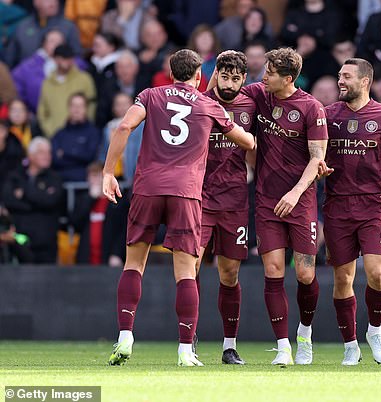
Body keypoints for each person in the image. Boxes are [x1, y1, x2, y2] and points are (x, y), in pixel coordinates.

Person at [103, 49, 255, 368]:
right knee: (186, 272)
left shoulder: (151, 95)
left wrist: (108, 172)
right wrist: (248, 137)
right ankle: (186, 350)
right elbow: (246, 142)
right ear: (199, 76)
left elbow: (122, 128)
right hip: (186, 192)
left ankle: (125, 336)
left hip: (147, 188)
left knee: (134, 264)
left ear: (171, 72)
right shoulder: (208, 104)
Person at [238, 47, 328, 365]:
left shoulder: (311, 107)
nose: (264, 76)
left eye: (271, 72)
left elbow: (318, 158)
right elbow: (225, 92)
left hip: (300, 202)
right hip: (266, 201)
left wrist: (295, 193)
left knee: (304, 274)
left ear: (287, 78)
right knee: (273, 271)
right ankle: (283, 347)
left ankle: (304, 332)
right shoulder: (260, 94)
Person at [321, 58, 381, 365]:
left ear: (365, 81)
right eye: (339, 75)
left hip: (373, 207)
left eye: (346, 76)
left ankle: (375, 331)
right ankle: (349, 346)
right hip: (337, 207)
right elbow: (314, 154)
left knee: (377, 274)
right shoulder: (327, 115)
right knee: (343, 279)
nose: (340, 81)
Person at [196, 51, 256, 365]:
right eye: (225, 76)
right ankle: (186, 342)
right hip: (200, 198)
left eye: (236, 78)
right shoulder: (198, 103)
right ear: (215, 73)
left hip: (234, 200)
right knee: (189, 269)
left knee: (229, 274)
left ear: (244, 79)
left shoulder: (250, 105)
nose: (230, 83)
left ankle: (229, 346)